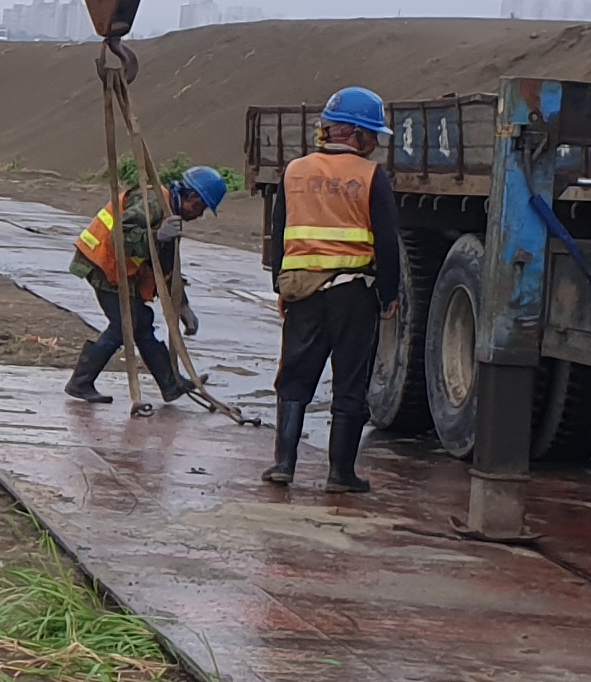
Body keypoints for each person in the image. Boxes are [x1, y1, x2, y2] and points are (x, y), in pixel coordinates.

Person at [258, 90, 403, 492]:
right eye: (373, 135)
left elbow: (280, 235)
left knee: (294, 379)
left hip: (303, 291)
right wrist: (389, 294)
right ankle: (340, 475)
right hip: (353, 293)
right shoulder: (371, 176)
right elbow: (388, 241)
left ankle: (283, 465)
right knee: (350, 384)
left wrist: (281, 289)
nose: (376, 143)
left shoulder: (295, 171)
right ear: (355, 135)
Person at [63, 163, 225, 405]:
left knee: (142, 324)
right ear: (191, 197)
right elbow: (120, 240)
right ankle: (80, 382)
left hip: (121, 272)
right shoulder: (152, 202)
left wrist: (182, 306)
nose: (199, 215)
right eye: (200, 207)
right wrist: (156, 236)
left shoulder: (171, 218)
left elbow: (166, 270)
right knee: (124, 325)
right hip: (102, 265)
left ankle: (171, 385)